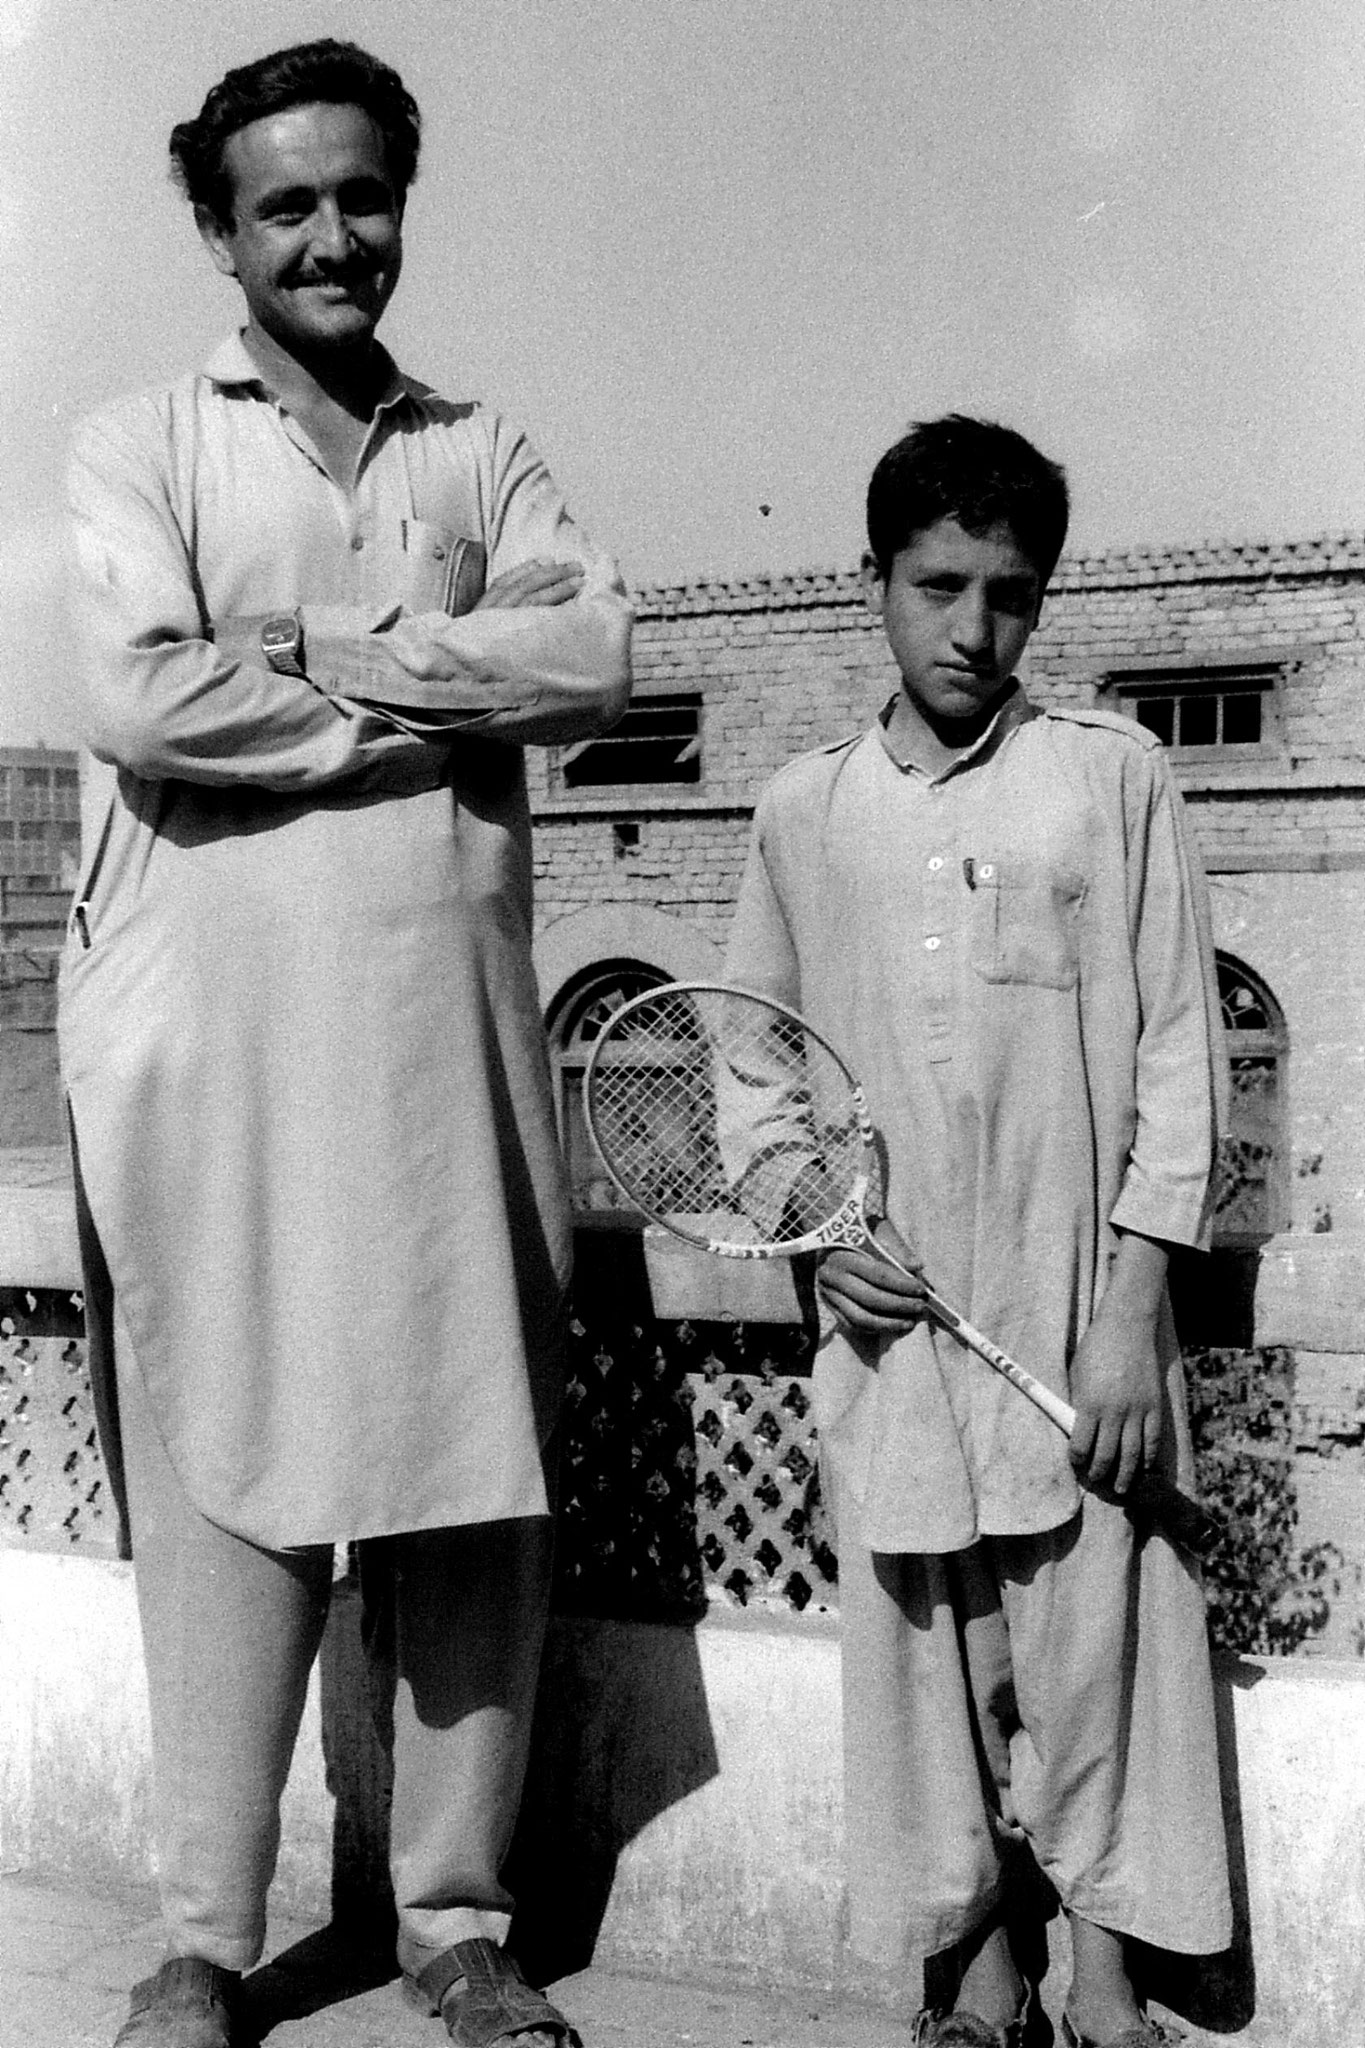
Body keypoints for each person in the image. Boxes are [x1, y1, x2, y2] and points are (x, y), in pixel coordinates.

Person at [61, 39, 630, 2048]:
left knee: (471, 1465)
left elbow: (593, 651)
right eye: (283, 204)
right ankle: (203, 1936)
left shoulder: (477, 453)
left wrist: (326, 655)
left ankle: (456, 1921)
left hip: (444, 1049)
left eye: (361, 195)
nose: (329, 235)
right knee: (222, 1473)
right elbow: (141, 699)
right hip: (214, 1051)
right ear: (218, 231)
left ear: (404, 203)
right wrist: (434, 701)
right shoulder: (140, 443)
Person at [723, 416, 1231, 2048]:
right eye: (936, 585)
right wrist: (813, 1228)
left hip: (1073, 1297)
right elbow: (752, 1072)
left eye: (1009, 595)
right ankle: (972, 1963)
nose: (970, 629)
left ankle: (1104, 1956)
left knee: (1093, 1628)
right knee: (929, 1631)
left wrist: (1134, 1292)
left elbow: (1177, 1047)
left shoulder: (1109, 776)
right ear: (873, 582)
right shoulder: (803, 812)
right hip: (891, 1316)